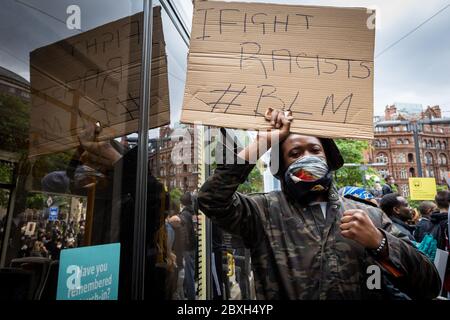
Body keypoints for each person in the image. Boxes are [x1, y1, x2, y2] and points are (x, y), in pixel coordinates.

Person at [198, 107, 440, 300]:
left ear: (327, 158)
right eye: (295, 153)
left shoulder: (369, 216)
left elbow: (429, 286)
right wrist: (262, 142)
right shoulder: (262, 212)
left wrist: (380, 243)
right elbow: (211, 199)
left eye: (315, 150)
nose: (307, 158)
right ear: (283, 167)